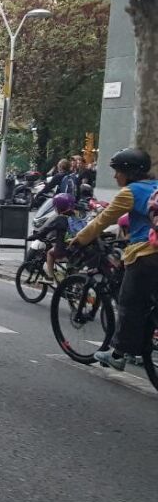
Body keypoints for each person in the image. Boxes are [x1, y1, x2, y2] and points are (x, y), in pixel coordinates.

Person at [71, 148, 158, 370]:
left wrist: (79, 240)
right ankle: (141, 350)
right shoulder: (154, 186)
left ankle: (118, 355)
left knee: (129, 302)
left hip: (146, 254)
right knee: (147, 302)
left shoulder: (130, 192)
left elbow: (102, 220)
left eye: (117, 171)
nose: (115, 176)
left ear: (128, 172)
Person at [28, 193, 78, 285]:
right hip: (76, 249)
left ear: (58, 207)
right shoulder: (75, 216)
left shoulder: (60, 218)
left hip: (63, 249)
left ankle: (50, 277)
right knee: (73, 269)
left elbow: (46, 230)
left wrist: (34, 236)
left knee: (50, 253)